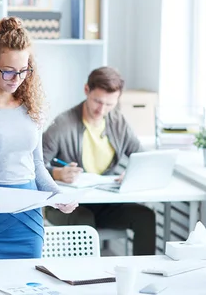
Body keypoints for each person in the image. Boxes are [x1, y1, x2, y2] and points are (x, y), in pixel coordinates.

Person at [0, 17, 78, 261]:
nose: (16, 78)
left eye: (23, 70)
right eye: (8, 71)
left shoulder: (31, 107)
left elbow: (37, 166)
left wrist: (58, 196)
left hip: (28, 222)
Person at [42, 66, 156, 255]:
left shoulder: (118, 123)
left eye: (110, 104)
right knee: (84, 220)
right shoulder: (62, 125)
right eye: (97, 101)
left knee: (145, 217)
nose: (102, 110)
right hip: (66, 206)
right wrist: (57, 173)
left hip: (105, 203)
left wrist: (133, 172)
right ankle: (86, 279)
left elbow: (142, 158)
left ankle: (142, 276)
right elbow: (34, 167)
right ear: (87, 90)